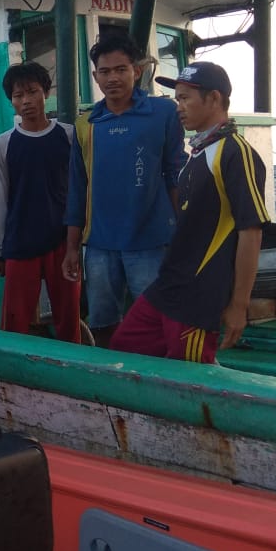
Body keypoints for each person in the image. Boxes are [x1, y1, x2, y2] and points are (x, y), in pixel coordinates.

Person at [111, 62, 269, 364]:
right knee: (125, 345)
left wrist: (239, 304)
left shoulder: (235, 152)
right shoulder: (197, 152)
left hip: (198, 295)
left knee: (193, 375)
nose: (178, 107)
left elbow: (251, 231)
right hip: (168, 286)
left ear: (214, 99)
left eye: (185, 99)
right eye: (177, 99)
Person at [62, 32, 187, 348]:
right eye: (105, 72)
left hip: (152, 240)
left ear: (138, 71)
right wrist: (72, 248)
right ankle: (110, 383)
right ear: (95, 76)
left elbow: (176, 175)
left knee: (158, 320)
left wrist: (183, 234)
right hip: (100, 245)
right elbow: (78, 187)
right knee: (103, 321)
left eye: (121, 69)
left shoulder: (164, 113)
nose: (113, 78)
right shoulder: (85, 123)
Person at [0, 62, 80, 343]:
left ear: (46, 93)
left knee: (69, 320)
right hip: (19, 243)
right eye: (18, 95)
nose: (26, 101)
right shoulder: (3, 144)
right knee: (15, 322)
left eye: (32, 91)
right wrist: (1, 249)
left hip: (63, 243)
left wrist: (77, 245)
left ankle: (74, 376)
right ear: (11, 101)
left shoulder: (69, 136)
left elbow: (80, 191)